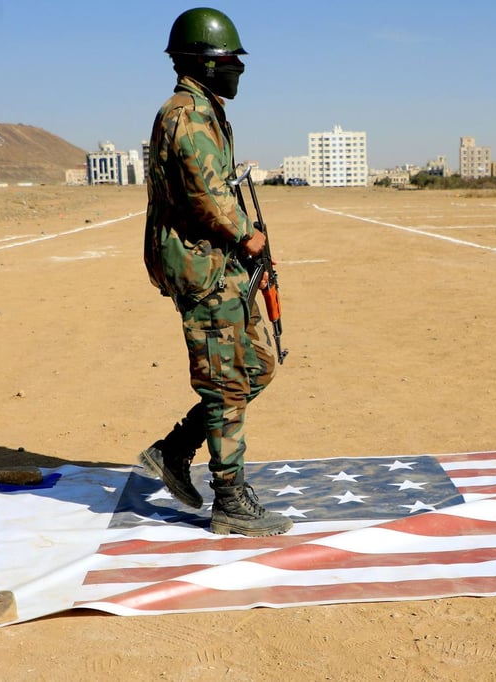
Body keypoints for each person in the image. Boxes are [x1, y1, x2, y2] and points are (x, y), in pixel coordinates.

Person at [138, 7, 291, 537]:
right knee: (225, 381)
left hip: (221, 263)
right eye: (229, 59)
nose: (237, 69)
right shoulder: (188, 116)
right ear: (203, 62)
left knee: (259, 367)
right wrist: (247, 235)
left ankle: (175, 449)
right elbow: (207, 196)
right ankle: (230, 500)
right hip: (203, 270)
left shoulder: (205, 110)